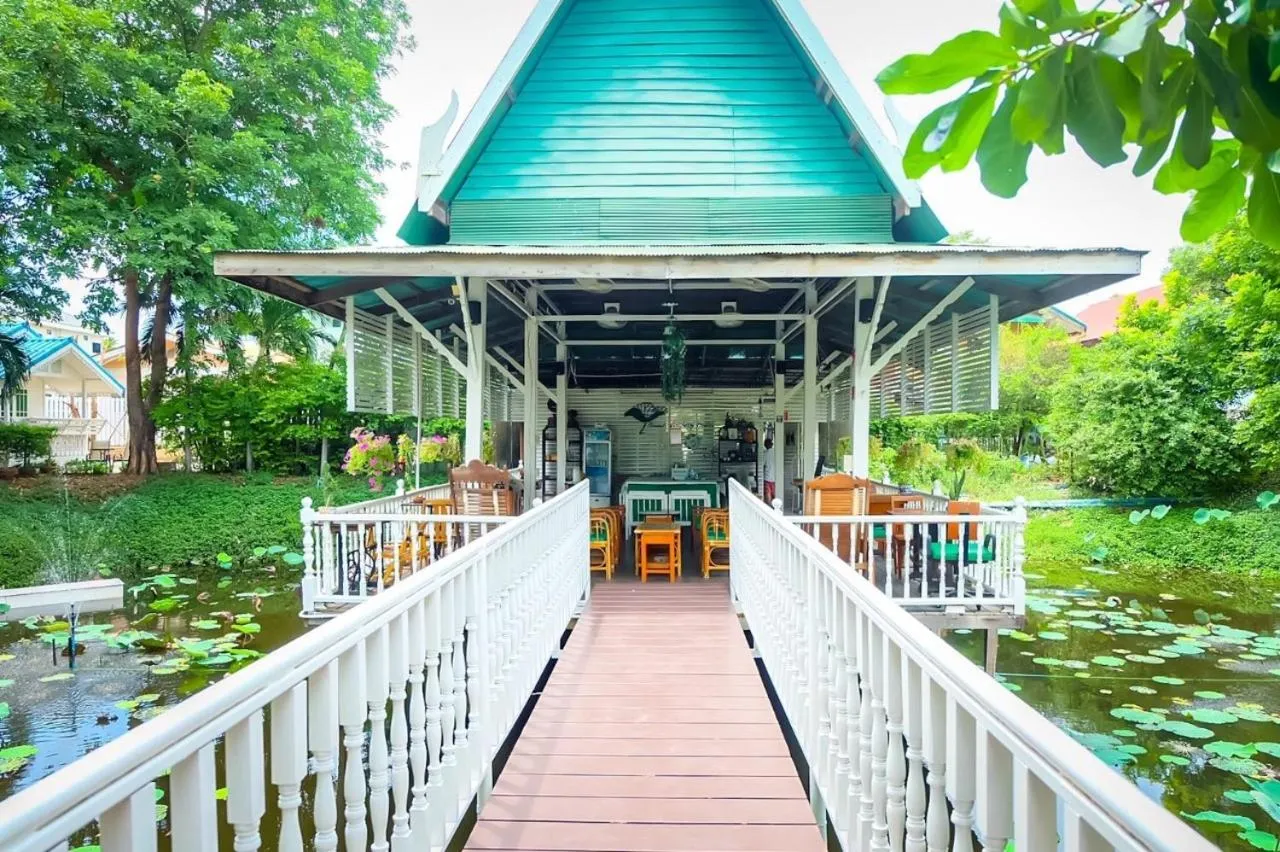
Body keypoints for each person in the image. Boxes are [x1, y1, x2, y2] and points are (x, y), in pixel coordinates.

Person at [762, 437, 775, 504]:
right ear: (772, 444)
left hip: (767, 478)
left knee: (768, 495)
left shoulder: (766, 454)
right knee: (775, 496)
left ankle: (769, 508)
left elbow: (762, 464)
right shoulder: (776, 453)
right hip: (775, 478)